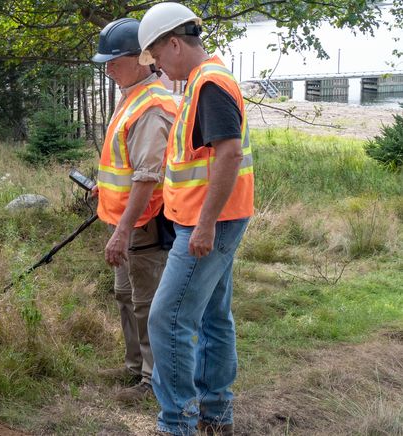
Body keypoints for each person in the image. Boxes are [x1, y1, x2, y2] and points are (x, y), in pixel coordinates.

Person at [137, 3, 255, 435]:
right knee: (212, 316)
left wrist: (204, 225)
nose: (159, 67)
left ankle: (178, 422)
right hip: (213, 219)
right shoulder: (205, 81)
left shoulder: (209, 84)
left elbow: (229, 154)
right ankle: (216, 415)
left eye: (158, 57)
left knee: (166, 319)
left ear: (173, 43)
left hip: (209, 224)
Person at [91, 18, 177, 404]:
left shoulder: (152, 105)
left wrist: (123, 230)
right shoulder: (131, 96)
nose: (107, 67)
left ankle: (152, 380)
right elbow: (127, 165)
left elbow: (147, 176)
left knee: (147, 302)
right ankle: (134, 366)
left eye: (114, 60)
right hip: (125, 221)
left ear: (142, 58)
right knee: (125, 295)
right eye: (104, 62)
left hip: (143, 224)